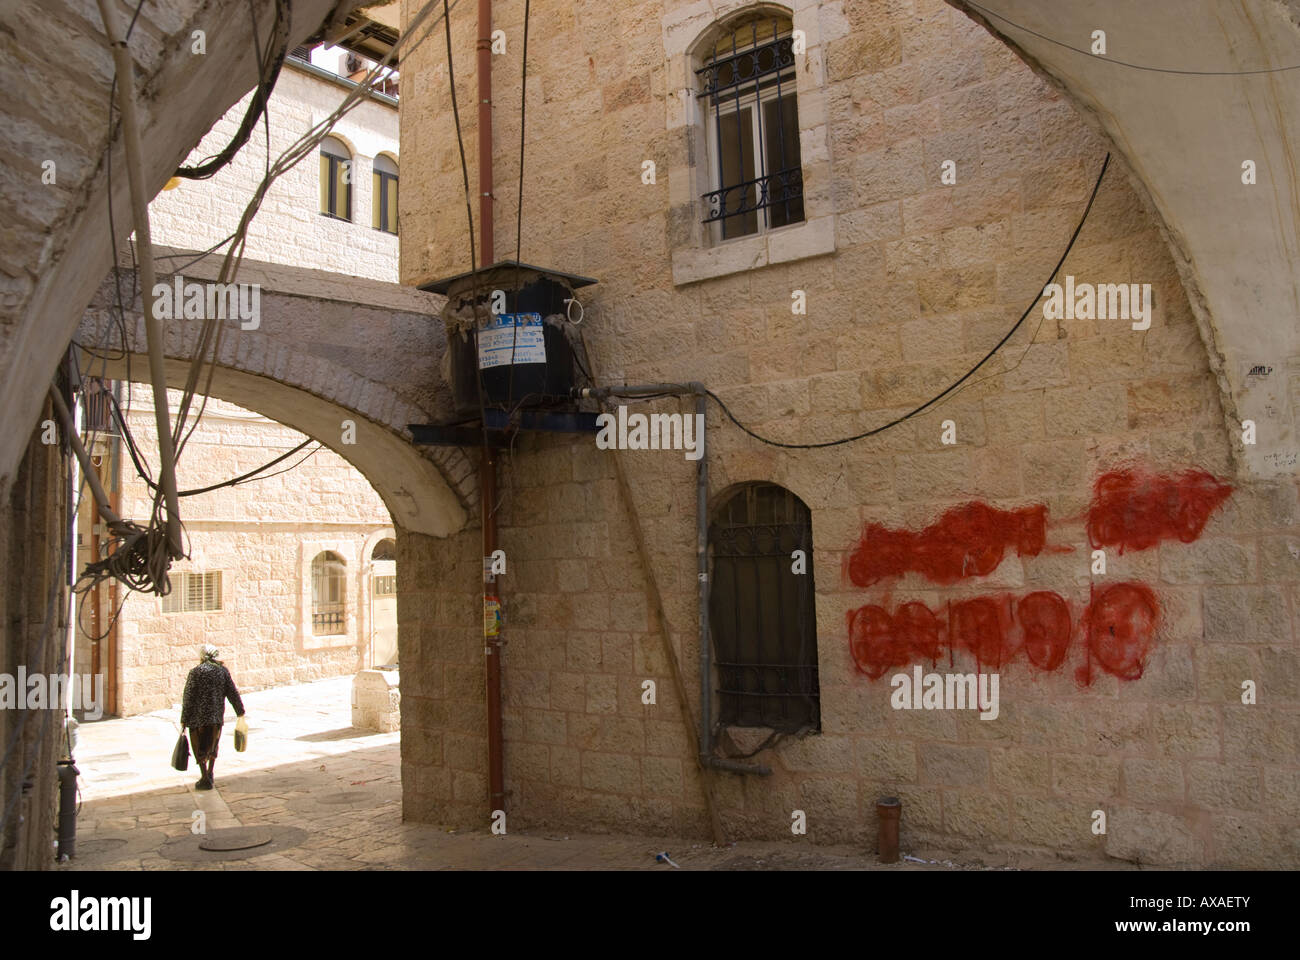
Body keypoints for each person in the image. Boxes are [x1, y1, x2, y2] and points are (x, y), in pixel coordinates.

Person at [179, 644, 245, 790]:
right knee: (213, 745)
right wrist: (240, 710)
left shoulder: (195, 672)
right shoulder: (222, 671)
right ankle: (210, 772)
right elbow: (232, 692)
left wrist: (184, 718)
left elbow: (188, 697)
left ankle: (204, 777)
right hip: (216, 716)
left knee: (199, 746)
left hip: (197, 718)